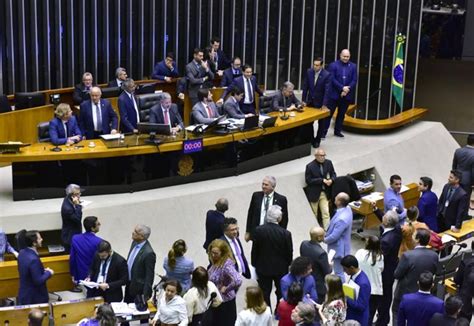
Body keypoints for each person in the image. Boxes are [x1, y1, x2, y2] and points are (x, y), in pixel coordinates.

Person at [392, 228, 439, 324]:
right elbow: (433, 272)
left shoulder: (407, 256)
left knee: (397, 314)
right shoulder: (434, 255)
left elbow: (397, 274)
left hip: (405, 294)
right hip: (425, 292)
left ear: (417, 239)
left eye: (413, 235)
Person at [251, 205, 293, 308]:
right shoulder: (285, 234)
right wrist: (287, 264)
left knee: (265, 292)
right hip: (281, 269)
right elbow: (289, 252)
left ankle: (267, 311)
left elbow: (255, 250)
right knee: (280, 291)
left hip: (263, 267)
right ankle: (278, 310)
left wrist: (254, 264)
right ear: (279, 218)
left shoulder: (258, 231)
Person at [373, 209, 402, 326]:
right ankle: (383, 317)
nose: (382, 217)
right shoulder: (397, 229)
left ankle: (382, 320)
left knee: (384, 298)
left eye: (384, 217)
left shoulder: (385, 241)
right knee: (387, 295)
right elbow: (386, 220)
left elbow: (379, 258)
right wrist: (376, 211)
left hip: (385, 271)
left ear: (386, 222)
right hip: (392, 266)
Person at [207, 239, 242, 325]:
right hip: (217, 301)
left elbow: (238, 280)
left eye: (216, 253)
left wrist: (226, 288)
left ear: (222, 253)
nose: (213, 255)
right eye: (212, 252)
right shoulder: (216, 262)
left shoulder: (226, 265)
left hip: (225, 303)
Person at [324, 49, 358, 138]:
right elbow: (332, 79)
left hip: (346, 95)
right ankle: (323, 133)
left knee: (341, 114)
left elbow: (354, 80)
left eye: (347, 56)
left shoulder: (353, 66)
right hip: (334, 95)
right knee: (329, 114)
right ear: (340, 55)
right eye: (344, 56)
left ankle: (337, 131)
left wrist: (346, 90)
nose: (346, 58)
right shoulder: (333, 65)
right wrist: (342, 88)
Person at [245, 175, 289, 241]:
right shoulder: (256, 196)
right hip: (257, 232)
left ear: (273, 187)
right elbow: (250, 213)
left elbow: (284, 219)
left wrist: (281, 233)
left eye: (266, 185)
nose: (263, 186)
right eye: (263, 184)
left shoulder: (281, 199)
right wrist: (248, 231)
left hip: (273, 234)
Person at [17, 231, 54, 305]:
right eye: (39, 238)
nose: (42, 239)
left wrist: (40, 270)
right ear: (34, 243)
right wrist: (49, 273)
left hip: (24, 293)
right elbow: (38, 280)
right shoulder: (33, 259)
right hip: (35, 297)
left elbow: (27, 271)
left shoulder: (21, 253)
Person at [302, 57, 331, 148]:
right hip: (310, 101)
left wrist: (324, 104)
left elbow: (327, 91)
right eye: (314, 65)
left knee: (321, 123)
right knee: (309, 122)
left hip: (321, 102)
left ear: (321, 65)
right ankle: (311, 139)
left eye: (317, 65)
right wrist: (303, 100)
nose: (315, 67)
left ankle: (317, 140)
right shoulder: (309, 72)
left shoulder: (327, 75)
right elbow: (305, 86)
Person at [355, 235, 384, 326]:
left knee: (359, 311)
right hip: (375, 290)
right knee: (370, 313)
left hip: (360, 286)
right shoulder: (380, 257)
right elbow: (381, 269)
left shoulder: (360, 252)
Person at [305, 149, 337, 230]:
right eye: (321, 156)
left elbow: (333, 174)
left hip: (324, 193)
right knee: (314, 213)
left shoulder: (328, 163)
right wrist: (321, 180)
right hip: (314, 194)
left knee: (326, 213)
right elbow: (308, 181)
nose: (323, 157)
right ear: (316, 156)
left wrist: (331, 180)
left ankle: (328, 230)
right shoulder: (310, 166)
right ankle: (315, 231)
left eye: (324, 155)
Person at [125, 225, 156, 304]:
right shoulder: (134, 242)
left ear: (142, 237)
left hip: (138, 290)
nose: (133, 233)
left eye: (136, 232)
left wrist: (145, 296)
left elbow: (149, 276)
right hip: (129, 285)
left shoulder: (149, 253)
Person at [324, 192, 353, 280]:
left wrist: (323, 239)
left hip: (339, 249)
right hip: (343, 245)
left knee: (338, 272)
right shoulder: (348, 209)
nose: (335, 198)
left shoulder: (341, 219)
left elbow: (334, 236)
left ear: (339, 202)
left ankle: (340, 290)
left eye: (336, 197)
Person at [300, 226, 332, 304]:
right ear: (318, 238)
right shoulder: (321, 253)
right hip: (318, 284)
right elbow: (327, 271)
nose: (325, 236)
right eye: (323, 235)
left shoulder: (303, 244)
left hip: (304, 279)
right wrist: (330, 265)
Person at [70, 216, 102, 286]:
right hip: (93, 276)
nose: (100, 224)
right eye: (98, 224)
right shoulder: (99, 241)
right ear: (92, 228)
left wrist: (73, 274)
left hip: (80, 273)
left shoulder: (75, 238)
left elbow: (72, 258)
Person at [341, 255, 371, 326]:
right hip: (351, 313)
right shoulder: (354, 275)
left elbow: (361, 306)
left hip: (358, 318)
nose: (343, 271)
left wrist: (346, 297)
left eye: (345, 269)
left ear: (352, 268)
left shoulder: (363, 283)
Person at [452, 134, 474, 209]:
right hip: (468, 180)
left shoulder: (458, 151)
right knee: (465, 198)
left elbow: (454, 165)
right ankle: (464, 215)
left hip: (457, 177)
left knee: (456, 196)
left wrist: (453, 177)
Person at [454, 241, 474, 321]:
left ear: (472, 248)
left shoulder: (465, 262)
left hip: (466, 301)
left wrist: (457, 272)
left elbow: (457, 280)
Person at [61, 183, 83, 251]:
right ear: (73, 195)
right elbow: (77, 219)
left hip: (74, 235)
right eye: (78, 194)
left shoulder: (69, 199)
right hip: (70, 238)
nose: (80, 195)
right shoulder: (67, 208)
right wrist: (78, 206)